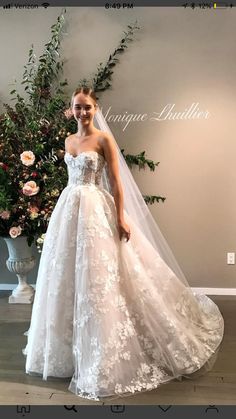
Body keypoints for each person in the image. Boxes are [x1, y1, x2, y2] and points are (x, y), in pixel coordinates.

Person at [23, 86, 224, 402]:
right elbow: (70, 180)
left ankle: (103, 351)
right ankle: (67, 351)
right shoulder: (68, 141)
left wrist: (120, 218)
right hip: (70, 209)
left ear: (95, 107)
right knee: (65, 276)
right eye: (77, 107)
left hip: (95, 208)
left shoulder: (103, 140)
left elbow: (116, 182)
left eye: (87, 107)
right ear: (71, 109)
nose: (83, 112)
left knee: (101, 277)